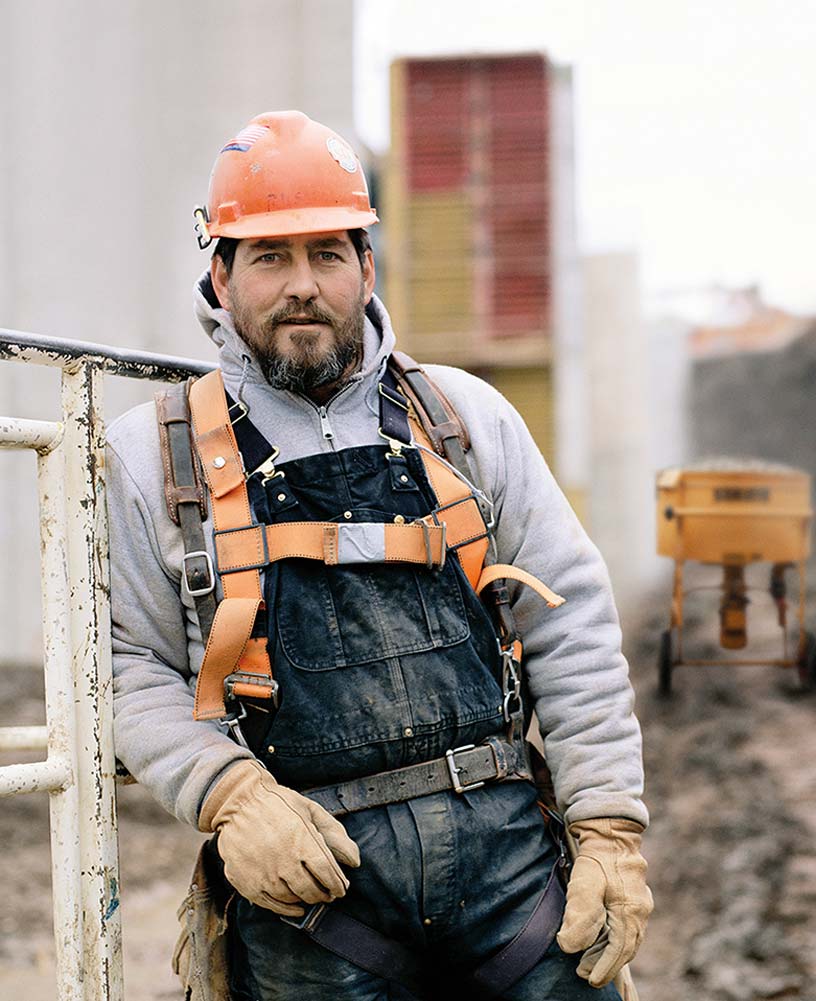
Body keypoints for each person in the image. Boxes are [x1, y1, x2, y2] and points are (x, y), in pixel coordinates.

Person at [108, 110, 652, 1001]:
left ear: (367, 265)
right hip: (312, 887)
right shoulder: (155, 456)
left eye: (327, 254)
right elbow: (130, 662)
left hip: (510, 863)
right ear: (220, 273)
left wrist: (607, 834)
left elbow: (572, 619)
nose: (301, 287)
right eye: (269, 257)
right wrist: (228, 796)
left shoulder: (465, 419)